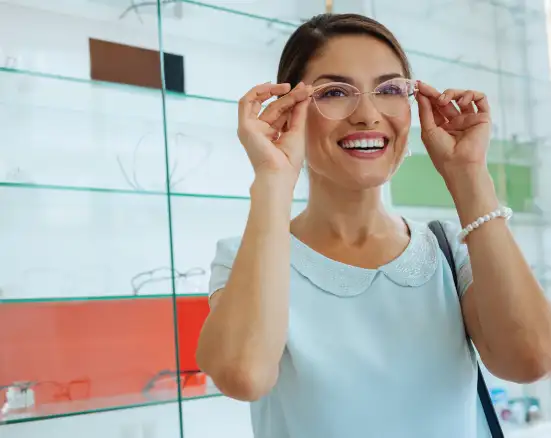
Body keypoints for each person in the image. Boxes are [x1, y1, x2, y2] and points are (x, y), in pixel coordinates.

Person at [196, 13, 551, 438]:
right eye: (334, 92)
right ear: (290, 111)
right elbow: (244, 375)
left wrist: (469, 174)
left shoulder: (449, 251)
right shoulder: (244, 257)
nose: (368, 114)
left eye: (388, 90)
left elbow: (531, 359)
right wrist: (273, 180)